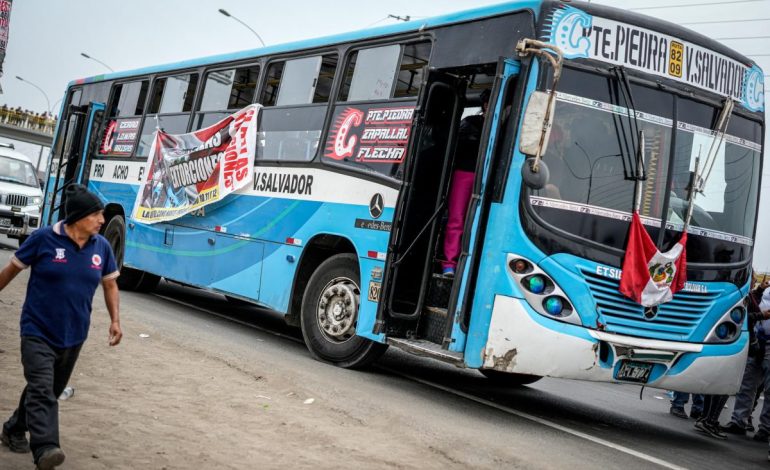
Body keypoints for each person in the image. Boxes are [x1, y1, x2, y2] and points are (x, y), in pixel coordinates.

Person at [0, 184, 121, 470]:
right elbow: (12, 270)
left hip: (74, 333)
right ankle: (45, 448)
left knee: (48, 390)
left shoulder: (101, 247)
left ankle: (14, 428)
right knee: (42, 388)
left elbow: (111, 284)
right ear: (78, 217)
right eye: (97, 215)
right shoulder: (43, 239)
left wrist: (115, 320)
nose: (103, 220)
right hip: (37, 329)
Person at [442, 89, 489, 278]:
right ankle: (449, 263)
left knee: (482, 221)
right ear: (485, 105)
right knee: (457, 218)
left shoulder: (506, 127)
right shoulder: (471, 123)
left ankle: (471, 263)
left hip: (489, 176)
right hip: (465, 173)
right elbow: (457, 147)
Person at [722, 279, 770, 441]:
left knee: (769, 389)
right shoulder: (767, 289)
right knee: (747, 384)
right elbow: (754, 304)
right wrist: (760, 290)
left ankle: (765, 428)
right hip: (757, 340)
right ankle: (738, 421)